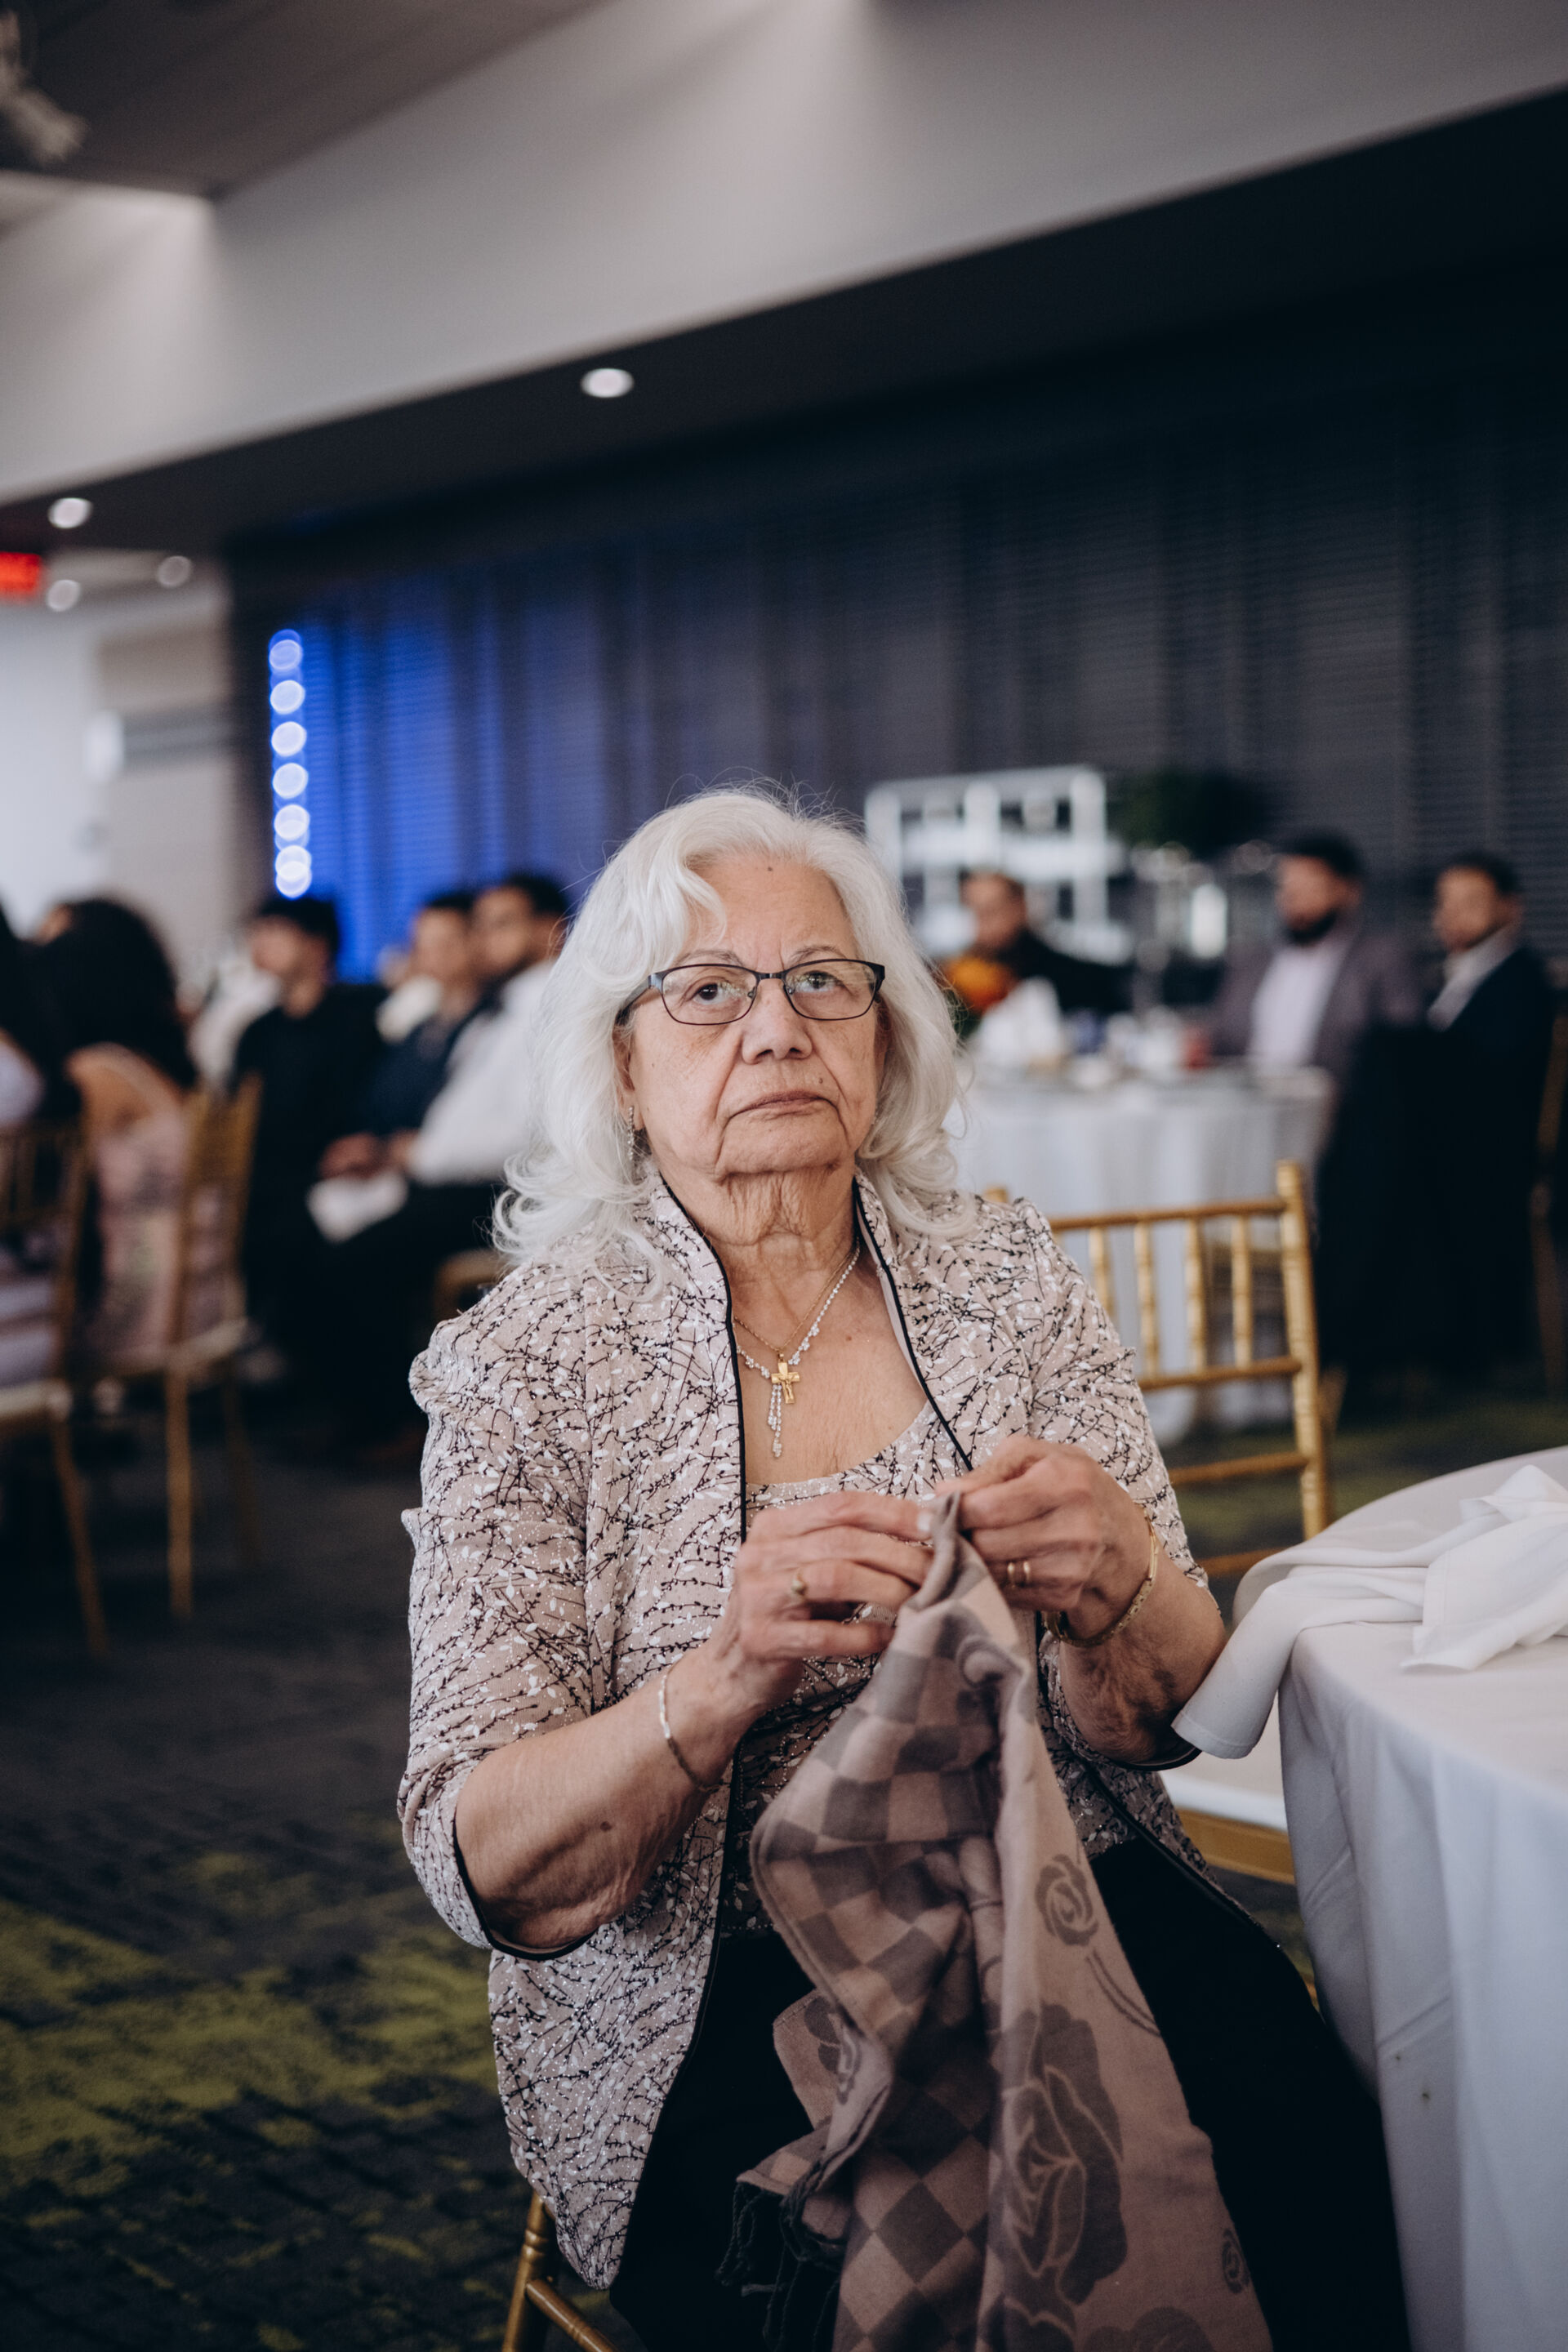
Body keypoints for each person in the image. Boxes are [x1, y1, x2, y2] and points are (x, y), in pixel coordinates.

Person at [399, 789, 1407, 2352]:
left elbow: (1158, 1722)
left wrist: (1123, 1582)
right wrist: (728, 1676)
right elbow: (476, 1861)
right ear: (622, 1061)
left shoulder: (1005, 1280)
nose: (778, 1028)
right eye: (709, 991)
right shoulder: (525, 1366)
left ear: (884, 1034)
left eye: (824, 980)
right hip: (720, 1974)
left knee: (1309, 2176)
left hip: (1063, 1878)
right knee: (864, 2290)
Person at [312, 872, 568, 1451]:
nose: (484, 939)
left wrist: (419, 1154)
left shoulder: (549, 1004)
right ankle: (374, 1419)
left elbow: (523, 1133)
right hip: (459, 1177)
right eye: (481, 925)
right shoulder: (509, 1004)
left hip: (504, 1193)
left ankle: (399, 1424)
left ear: (551, 929)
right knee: (324, 1237)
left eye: (502, 924)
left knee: (355, 1263)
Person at [31, 898, 212, 1367]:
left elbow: (43, 1194)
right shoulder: (172, 1070)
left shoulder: (97, 1075)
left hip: (140, 1312)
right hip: (200, 1297)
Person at [232, 894, 383, 1355]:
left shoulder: (359, 1016)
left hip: (337, 1168)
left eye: (275, 931)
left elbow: (366, 1107)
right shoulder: (256, 1033)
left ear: (317, 944)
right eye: (257, 932)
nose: (260, 943)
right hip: (269, 1174)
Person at [1202, 832, 1422, 1087]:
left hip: (1335, 1100)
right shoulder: (1252, 960)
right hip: (1247, 1094)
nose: (1293, 898)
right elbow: (1219, 1035)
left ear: (1348, 891)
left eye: (1309, 887)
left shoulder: (1382, 958)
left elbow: (1400, 1046)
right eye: (1286, 887)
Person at [319, 891, 483, 1181]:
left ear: (476, 941)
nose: (434, 956)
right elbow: (380, 1101)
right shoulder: (418, 1026)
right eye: (423, 945)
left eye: (446, 943)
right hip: (389, 1165)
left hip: (443, 1172)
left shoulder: (487, 1025)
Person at [942, 868, 1129, 1027]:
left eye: (991, 911)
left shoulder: (1080, 979)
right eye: (973, 913)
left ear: (1021, 907)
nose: (981, 925)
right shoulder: (954, 981)